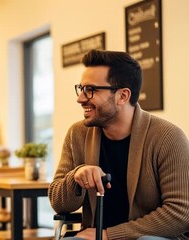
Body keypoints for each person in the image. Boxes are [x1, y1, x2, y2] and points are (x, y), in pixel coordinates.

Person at [48, 49, 189, 240]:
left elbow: (181, 212)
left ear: (123, 96)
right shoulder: (77, 134)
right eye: (81, 89)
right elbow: (58, 204)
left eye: (90, 90)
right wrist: (76, 177)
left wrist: (109, 235)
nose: (80, 98)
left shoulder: (168, 137)